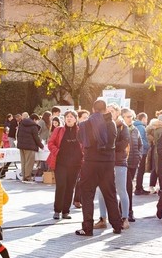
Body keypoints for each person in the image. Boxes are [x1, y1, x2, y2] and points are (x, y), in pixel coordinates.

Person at [74, 99, 122, 236]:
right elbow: (113, 140)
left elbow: (80, 139)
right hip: (107, 163)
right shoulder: (111, 123)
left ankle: (87, 228)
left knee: (87, 196)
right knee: (110, 195)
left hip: (90, 163)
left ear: (93, 109)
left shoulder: (86, 124)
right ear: (105, 109)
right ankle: (117, 226)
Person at [96, 103, 131, 230]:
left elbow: (124, 143)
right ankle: (102, 218)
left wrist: (109, 146)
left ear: (117, 112)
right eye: (107, 110)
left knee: (121, 190)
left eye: (112, 111)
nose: (109, 113)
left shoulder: (122, 127)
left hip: (119, 162)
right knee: (101, 191)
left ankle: (125, 218)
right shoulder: (102, 126)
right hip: (104, 163)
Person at [47, 110, 82, 220]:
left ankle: (66, 211)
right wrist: (57, 151)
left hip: (75, 164)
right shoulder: (58, 130)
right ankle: (57, 210)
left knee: (70, 187)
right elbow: (50, 143)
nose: (69, 118)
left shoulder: (80, 131)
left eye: (71, 116)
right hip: (61, 163)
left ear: (75, 119)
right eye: (67, 116)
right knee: (61, 185)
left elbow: (85, 144)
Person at [123, 109, 143, 221]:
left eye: (131, 116)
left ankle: (124, 208)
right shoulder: (120, 129)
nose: (130, 118)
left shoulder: (135, 130)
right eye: (127, 116)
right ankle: (129, 211)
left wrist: (139, 156)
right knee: (128, 188)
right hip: (123, 163)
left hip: (133, 162)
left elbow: (140, 144)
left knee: (127, 188)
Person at [16, 113, 44, 183]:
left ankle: (24, 177)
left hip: (21, 146)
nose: (37, 122)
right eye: (37, 120)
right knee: (29, 162)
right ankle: (27, 177)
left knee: (23, 162)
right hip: (30, 146)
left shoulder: (21, 124)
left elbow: (17, 134)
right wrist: (41, 146)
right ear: (34, 119)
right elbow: (36, 138)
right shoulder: (33, 126)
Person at [133, 112, 149, 196]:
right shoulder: (142, 128)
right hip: (142, 151)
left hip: (135, 151)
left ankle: (139, 187)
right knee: (141, 170)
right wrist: (148, 146)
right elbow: (143, 140)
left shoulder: (134, 126)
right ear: (143, 119)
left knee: (138, 170)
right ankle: (139, 188)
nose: (147, 121)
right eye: (146, 119)